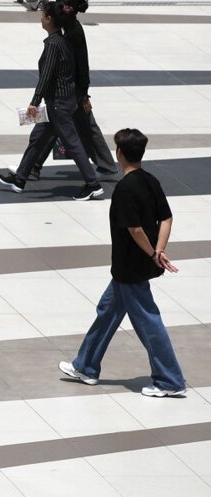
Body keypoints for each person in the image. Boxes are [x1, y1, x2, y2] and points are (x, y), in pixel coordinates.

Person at [59, 129, 187, 397]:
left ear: (120, 154)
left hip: (130, 268)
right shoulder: (150, 181)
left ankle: (169, 380)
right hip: (131, 267)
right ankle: (86, 366)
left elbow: (135, 229)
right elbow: (166, 218)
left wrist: (153, 253)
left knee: (149, 322)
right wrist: (159, 250)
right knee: (107, 311)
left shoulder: (125, 189)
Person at [0, 1, 103, 201]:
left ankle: (93, 184)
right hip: (62, 100)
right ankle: (20, 179)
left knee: (72, 143)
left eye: (43, 16)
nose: (41, 18)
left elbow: (46, 77)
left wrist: (34, 102)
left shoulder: (54, 45)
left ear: (49, 20)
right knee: (37, 138)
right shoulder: (60, 40)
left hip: (58, 104)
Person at [23, 0, 118, 182]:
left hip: (71, 91)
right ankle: (31, 168)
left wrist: (83, 94)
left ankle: (31, 168)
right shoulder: (66, 29)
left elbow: (82, 64)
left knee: (77, 126)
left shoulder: (72, 32)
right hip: (67, 91)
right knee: (55, 126)